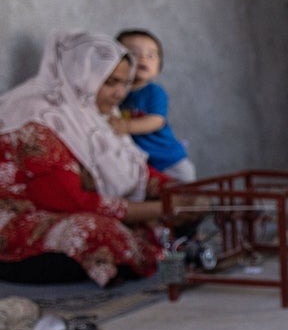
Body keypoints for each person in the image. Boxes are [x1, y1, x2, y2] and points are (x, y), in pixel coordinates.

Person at [0, 31, 172, 286]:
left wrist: (174, 191)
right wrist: (161, 208)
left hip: (74, 209)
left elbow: (132, 169)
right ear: (81, 77)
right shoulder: (36, 118)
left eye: (125, 83)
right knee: (94, 230)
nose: (120, 93)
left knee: (175, 215)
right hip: (23, 220)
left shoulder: (91, 114)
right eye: (111, 82)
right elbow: (67, 201)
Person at [111, 28, 195, 182]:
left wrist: (125, 126)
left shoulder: (154, 92)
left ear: (159, 66)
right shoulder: (115, 93)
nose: (143, 59)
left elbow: (156, 120)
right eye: (134, 54)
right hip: (143, 165)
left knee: (183, 197)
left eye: (151, 55)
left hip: (169, 161)